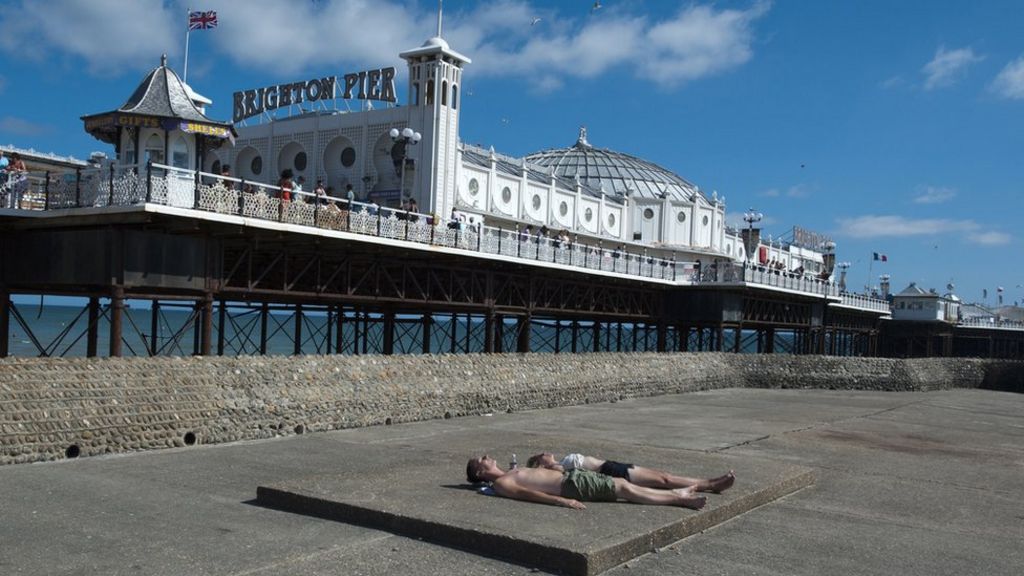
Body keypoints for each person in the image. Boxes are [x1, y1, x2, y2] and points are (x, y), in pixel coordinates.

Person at [466, 455, 707, 510]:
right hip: (570, 486)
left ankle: (678, 493)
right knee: (624, 489)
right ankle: (680, 500)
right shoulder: (501, 484)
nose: (487, 456)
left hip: (573, 477)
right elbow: (526, 494)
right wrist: (562, 501)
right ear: (479, 472)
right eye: (482, 459)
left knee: (620, 483)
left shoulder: (511, 471)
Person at [526, 452, 735, 493]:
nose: (546, 453)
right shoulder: (556, 468)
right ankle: (710, 484)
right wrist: (546, 467)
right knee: (664, 479)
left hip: (612, 465)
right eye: (541, 455)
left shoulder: (560, 461)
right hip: (609, 470)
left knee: (663, 476)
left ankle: (710, 482)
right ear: (540, 464)